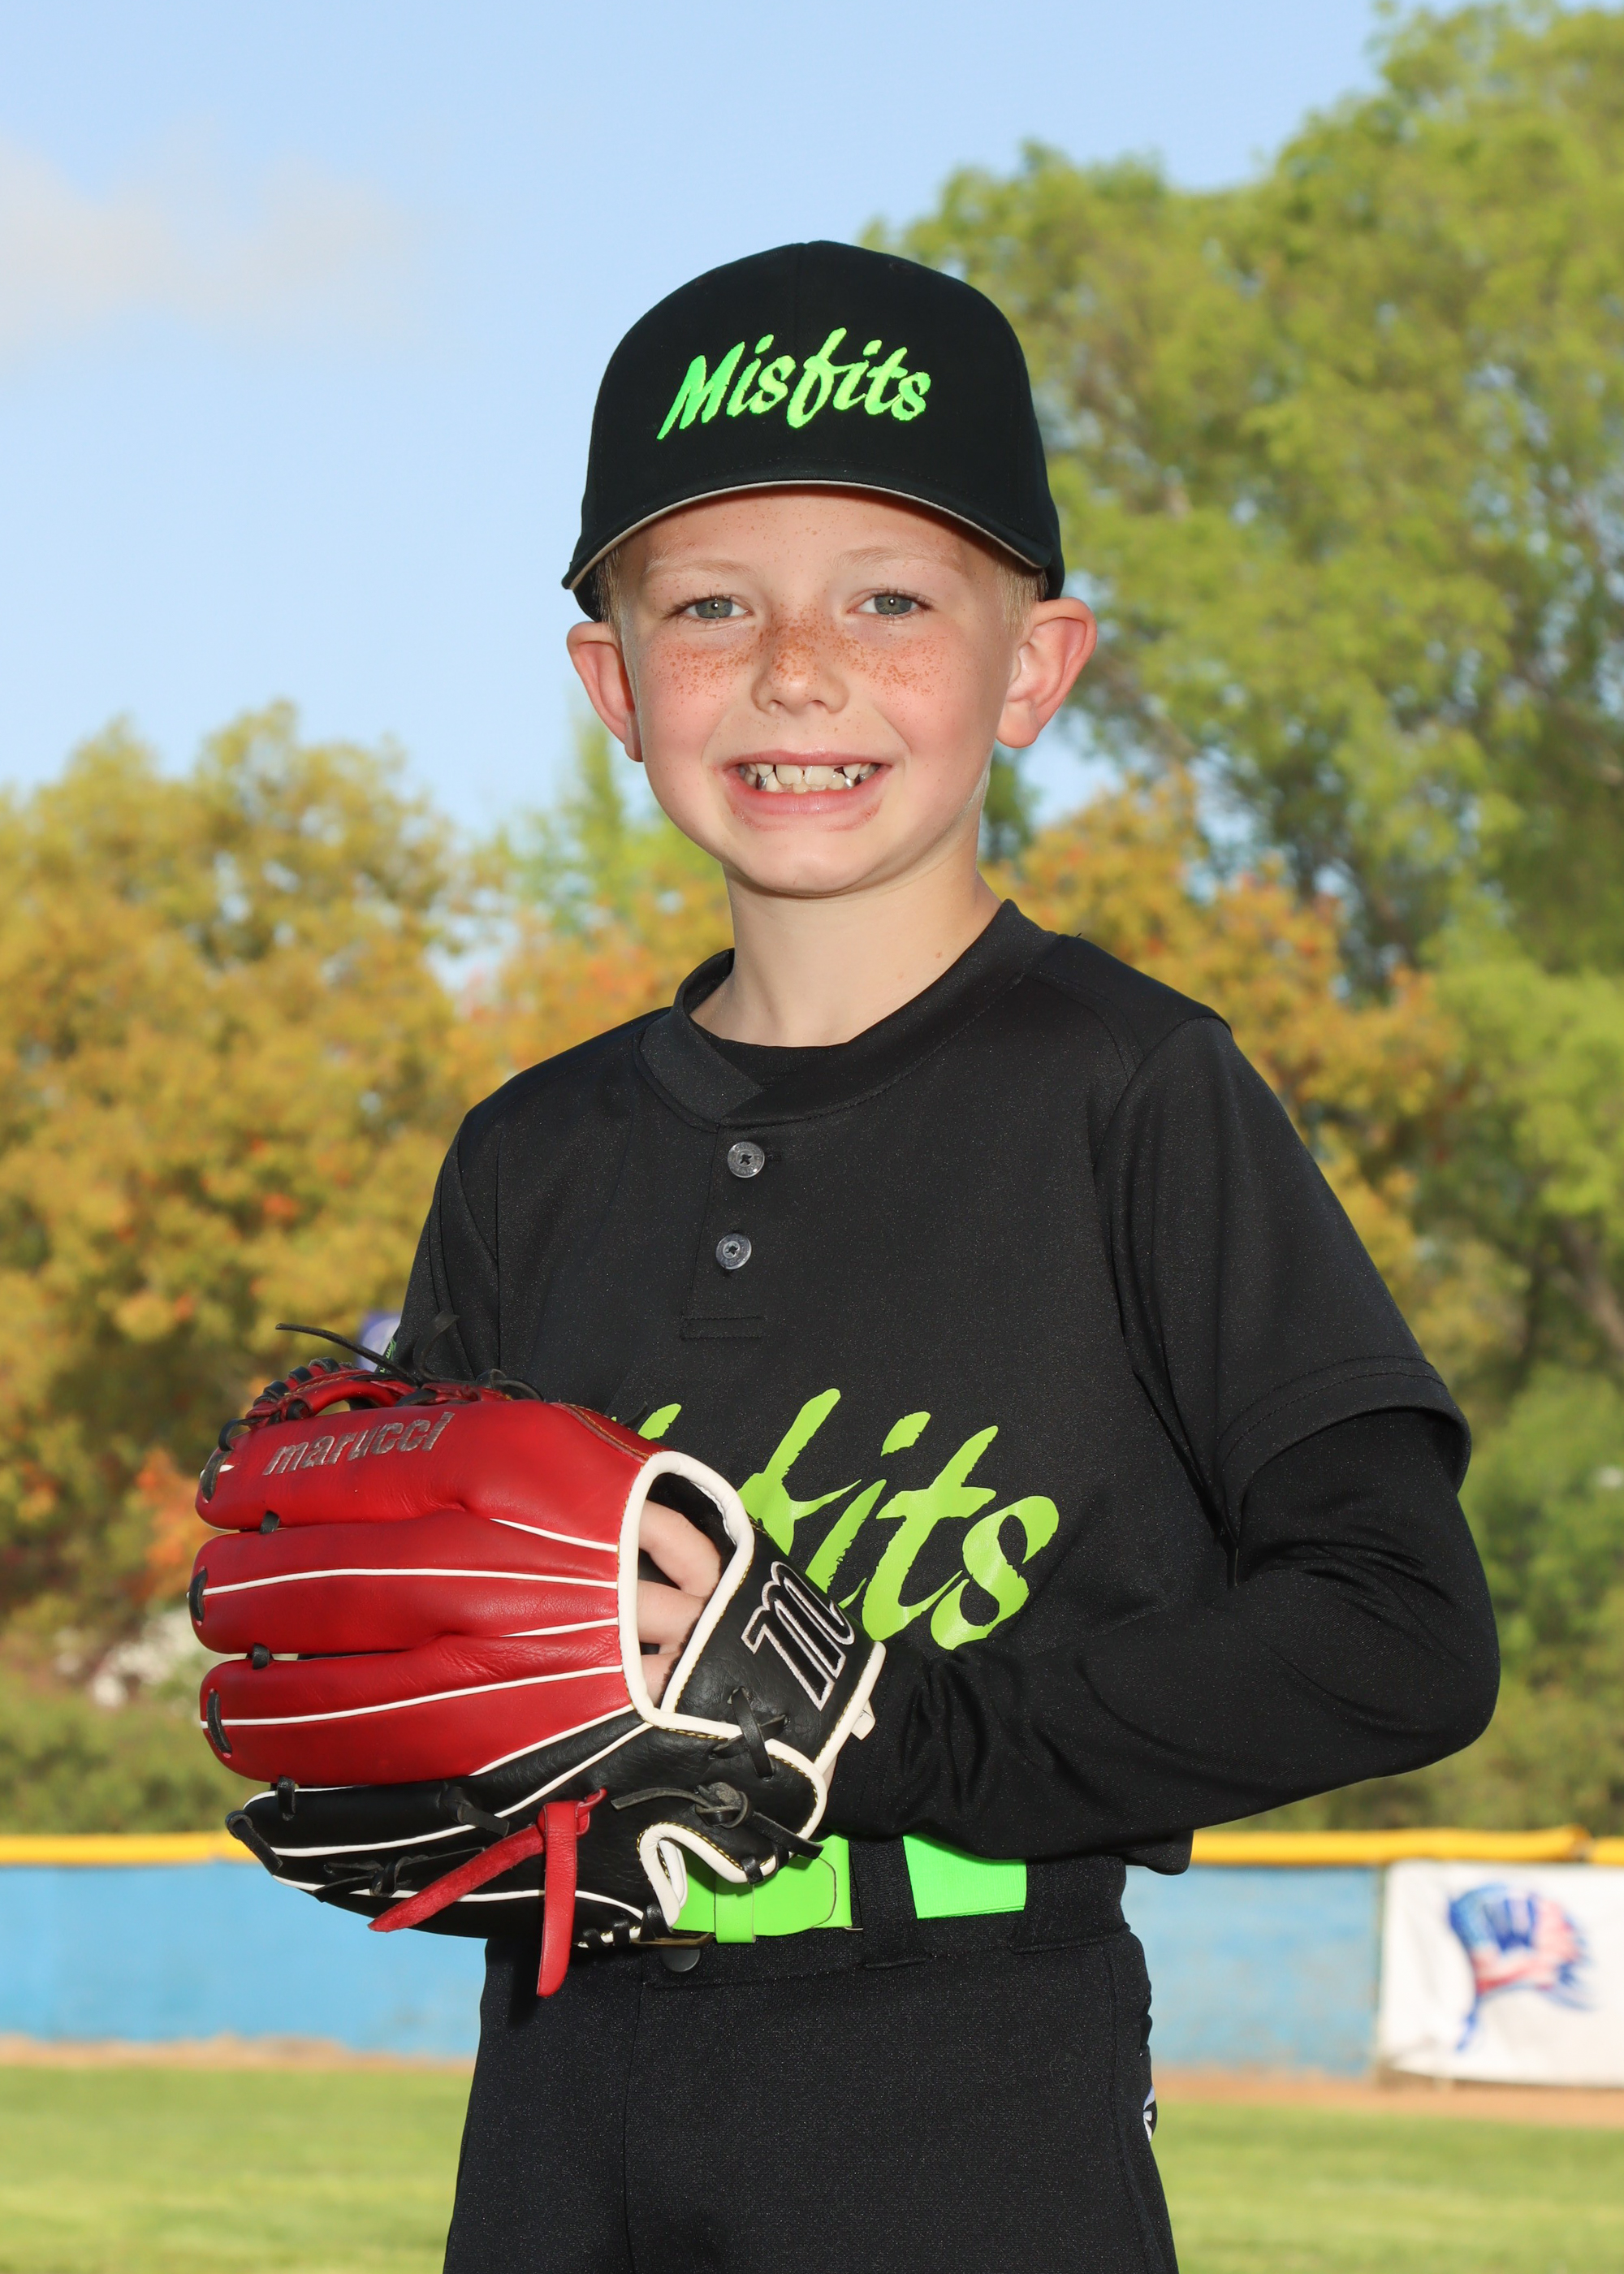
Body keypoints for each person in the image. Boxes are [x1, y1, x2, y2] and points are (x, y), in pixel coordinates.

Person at [393, 240, 1498, 2274]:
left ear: (1034, 668)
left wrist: (884, 1721)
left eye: (890, 600)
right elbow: (438, 1670)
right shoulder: (528, 1157)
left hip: (963, 2078)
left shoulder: (1134, 1090)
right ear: (615, 685)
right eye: (709, 604)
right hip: (563, 2086)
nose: (794, 668)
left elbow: (1397, 1626)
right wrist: (377, 1722)